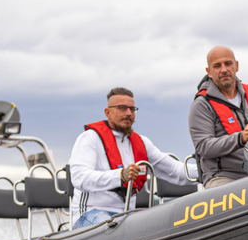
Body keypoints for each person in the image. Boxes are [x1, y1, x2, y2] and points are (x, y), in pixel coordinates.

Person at [69, 87, 197, 229]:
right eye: (122, 108)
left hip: (126, 216)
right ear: (108, 113)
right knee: (114, 230)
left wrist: (210, 170)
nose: (128, 113)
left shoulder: (142, 143)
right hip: (91, 213)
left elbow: (175, 171)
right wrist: (120, 176)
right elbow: (79, 178)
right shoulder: (90, 139)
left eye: (132, 109)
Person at [188, 46, 248, 188]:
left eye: (228, 63)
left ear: (236, 66)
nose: (224, 69)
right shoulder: (201, 105)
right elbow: (204, 146)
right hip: (224, 177)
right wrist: (240, 138)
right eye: (217, 66)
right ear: (209, 72)